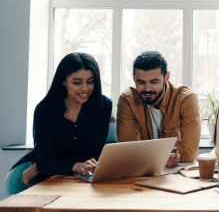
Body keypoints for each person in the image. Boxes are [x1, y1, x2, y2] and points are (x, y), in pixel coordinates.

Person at [5, 52, 111, 197]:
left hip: (63, 176)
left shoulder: (103, 106)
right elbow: (45, 161)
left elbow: (92, 156)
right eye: (77, 82)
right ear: (63, 81)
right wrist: (44, 165)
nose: (85, 88)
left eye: (90, 81)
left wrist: (44, 164)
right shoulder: (45, 110)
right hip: (27, 176)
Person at [117, 51, 200, 167]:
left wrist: (146, 157)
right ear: (134, 78)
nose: (147, 89)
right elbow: (126, 152)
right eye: (141, 82)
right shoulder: (127, 100)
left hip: (177, 175)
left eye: (154, 82)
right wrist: (162, 158)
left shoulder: (186, 99)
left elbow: (189, 155)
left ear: (166, 77)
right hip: (141, 174)